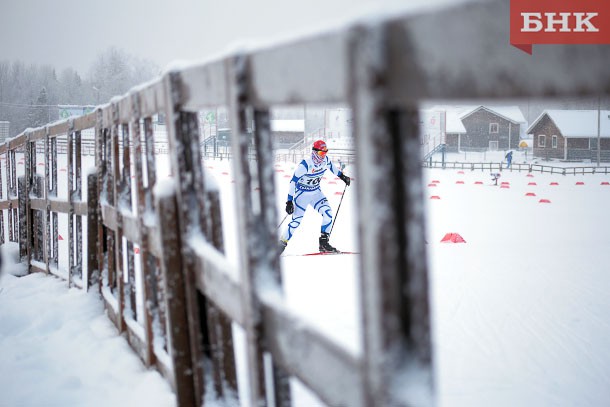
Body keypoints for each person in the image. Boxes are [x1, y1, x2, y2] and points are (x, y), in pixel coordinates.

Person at [279, 140, 350, 254]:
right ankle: (281, 244)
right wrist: (289, 202)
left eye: (325, 152)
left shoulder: (325, 161)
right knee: (296, 221)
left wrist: (343, 177)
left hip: (316, 193)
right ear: (315, 152)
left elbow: (334, 169)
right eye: (321, 153)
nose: (324, 156)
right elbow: (293, 182)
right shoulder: (305, 165)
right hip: (302, 195)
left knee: (328, 213)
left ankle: (323, 243)